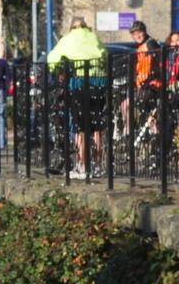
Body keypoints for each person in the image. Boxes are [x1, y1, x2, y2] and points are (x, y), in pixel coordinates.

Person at [47, 16, 107, 178]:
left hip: (79, 84)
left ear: (72, 27)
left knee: (80, 127)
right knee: (97, 127)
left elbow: (52, 60)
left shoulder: (68, 39)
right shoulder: (93, 37)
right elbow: (104, 55)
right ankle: (97, 165)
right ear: (86, 26)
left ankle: (82, 165)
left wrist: (57, 69)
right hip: (99, 83)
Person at [120, 20, 161, 138]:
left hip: (151, 85)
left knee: (126, 105)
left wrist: (149, 79)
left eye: (139, 32)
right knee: (143, 111)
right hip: (144, 85)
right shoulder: (142, 47)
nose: (137, 36)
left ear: (144, 32)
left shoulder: (150, 44)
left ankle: (129, 133)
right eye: (134, 34)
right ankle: (152, 131)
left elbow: (155, 64)